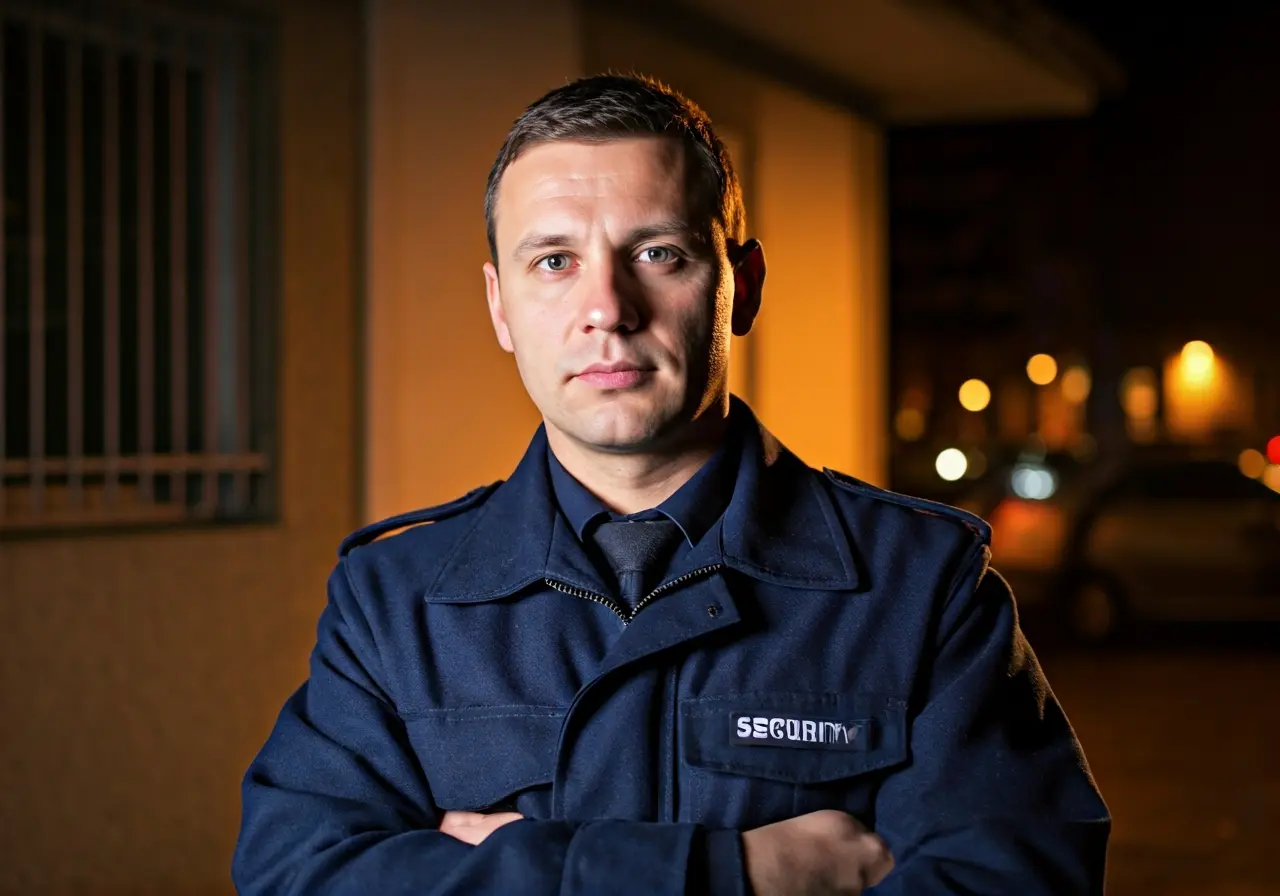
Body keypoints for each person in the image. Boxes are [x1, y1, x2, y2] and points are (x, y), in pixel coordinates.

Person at [232, 74, 1109, 895]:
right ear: (501, 307)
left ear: (744, 286)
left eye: (658, 253)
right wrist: (732, 872)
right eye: (554, 262)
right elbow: (301, 872)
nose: (608, 307)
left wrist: (501, 867)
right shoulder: (394, 602)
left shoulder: (918, 584)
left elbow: (1014, 875)